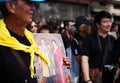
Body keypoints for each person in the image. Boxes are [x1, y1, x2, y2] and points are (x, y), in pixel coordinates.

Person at [0, 0, 71, 83]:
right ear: (11, 6)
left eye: (34, 4)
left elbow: (45, 74)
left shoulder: (34, 41)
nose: (33, 8)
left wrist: (60, 66)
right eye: (28, 2)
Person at [81, 11, 116, 83]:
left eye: (110, 21)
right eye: (105, 22)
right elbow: (84, 58)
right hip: (94, 79)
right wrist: (87, 80)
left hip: (110, 78)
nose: (108, 24)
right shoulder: (89, 39)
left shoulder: (113, 40)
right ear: (98, 24)